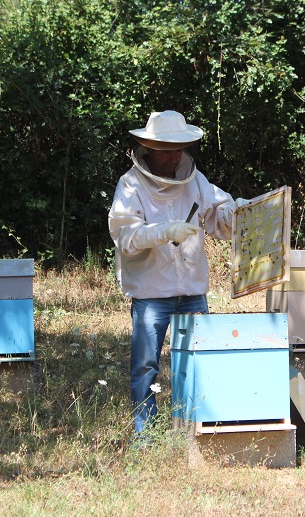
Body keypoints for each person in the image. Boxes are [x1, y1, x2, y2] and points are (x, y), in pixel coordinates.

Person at [108, 110, 243, 439]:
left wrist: (235, 210)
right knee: (145, 368)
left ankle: (196, 433)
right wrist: (164, 230)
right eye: (165, 148)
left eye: (178, 148)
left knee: (201, 362)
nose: (173, 156)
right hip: (151, 294)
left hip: (192, 290)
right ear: (149, 147)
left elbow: (217, 217)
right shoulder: (130, 185)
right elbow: (126, 237)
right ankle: (146, 437)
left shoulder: (194, 180)